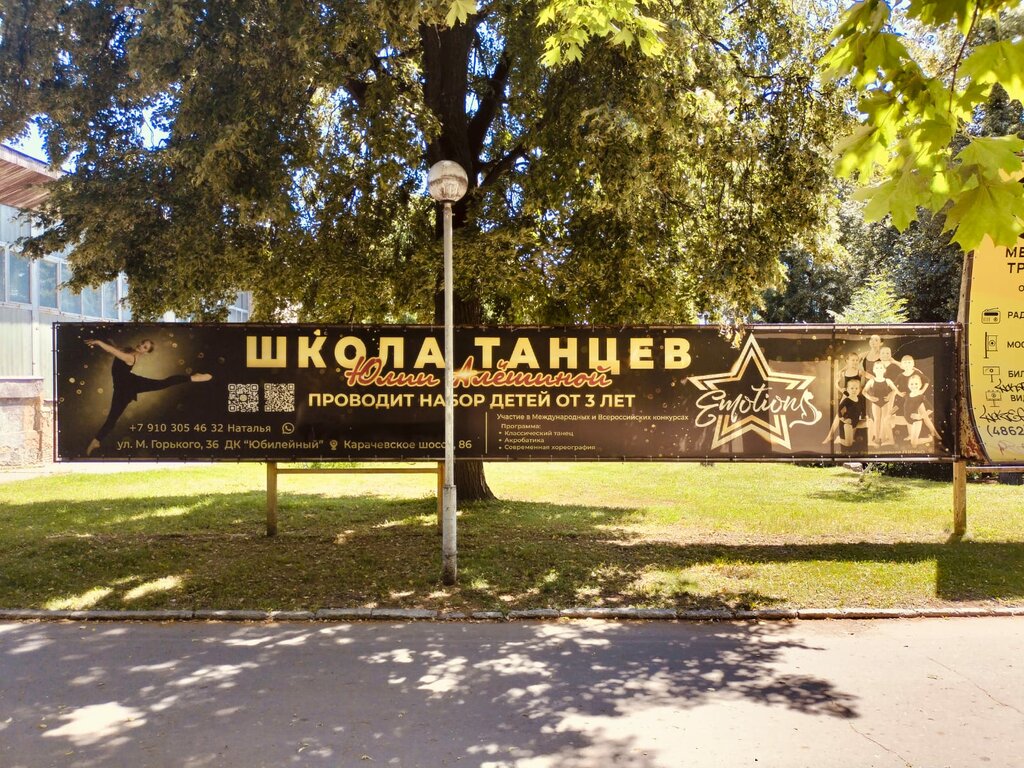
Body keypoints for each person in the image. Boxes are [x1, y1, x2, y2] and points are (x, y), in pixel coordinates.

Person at [84, 338, 212, 455]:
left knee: (163, 383)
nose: (141, 346)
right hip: (123, 387)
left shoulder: (130, 357)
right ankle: (97, 441)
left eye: (145, 347)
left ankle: (193, 378)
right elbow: (114, 349)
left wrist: (99, 342)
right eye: (142, 343)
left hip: (129, 386)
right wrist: (109, 343)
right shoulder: (128, 350)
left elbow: (113, 351)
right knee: (112, 418)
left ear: (146, 352)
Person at [823, 376, 867, 448]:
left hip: (856, 421)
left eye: (856, 388)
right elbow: (839, 410)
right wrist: (842, 418)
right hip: (848, 420)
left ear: (859, 389)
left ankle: (853, 437)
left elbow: (862, 409)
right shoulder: (848, 396)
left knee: (870, 422)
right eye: (852, 388)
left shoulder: (859, 398)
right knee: (849, 442)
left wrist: (864, 416)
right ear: (848, 389)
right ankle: (834, 437)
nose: (854, 390)